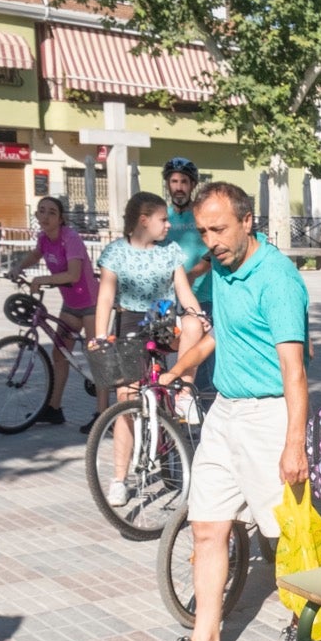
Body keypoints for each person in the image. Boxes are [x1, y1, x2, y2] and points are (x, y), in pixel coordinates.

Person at [139, 182, 310, 641]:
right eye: (204, 231)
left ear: (247, 221)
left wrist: (294, 444)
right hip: (225, 413)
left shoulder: (277, 279)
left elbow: (294, 370)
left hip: (270, 414)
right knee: (207, 526)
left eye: (218, 229)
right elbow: (221, 333)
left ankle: (307, 623)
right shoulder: (222, 267)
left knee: (285, 534)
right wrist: (174, 372)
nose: (210, 241)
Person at [90, 192, 207, 506]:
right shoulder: (115, 253)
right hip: (131, 322)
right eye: (163, 219)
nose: (169, 225)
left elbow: (184, 292)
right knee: (127, 398)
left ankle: (182, 393)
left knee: (194, 325)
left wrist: (198, 315)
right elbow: (105, 298)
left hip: (165, 320)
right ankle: (119, 478)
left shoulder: (170, 251)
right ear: (144, 220)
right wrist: (101, 336)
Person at [10, 197, 96, 430]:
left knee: (96, 357)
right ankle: (53, 409)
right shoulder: (44, 239)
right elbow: (36, 255)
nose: (46, 216)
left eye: (52, 212)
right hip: (70, 305)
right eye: (42, 212)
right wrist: (18, 267)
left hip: (92, 303)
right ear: (36, 215)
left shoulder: (71, 238)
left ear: (61, 218)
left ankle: (103, 413)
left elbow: (74, 274)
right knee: (60, 356)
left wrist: (42, 279)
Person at [161, 157, 213, 314]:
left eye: (184, 182)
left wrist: (193, 274)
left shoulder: (203, 214)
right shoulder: (162, 217)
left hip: (203, 297)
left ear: (193, 185)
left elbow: (215, 249)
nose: (179, 187)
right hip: (169, 298)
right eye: (174, 181)